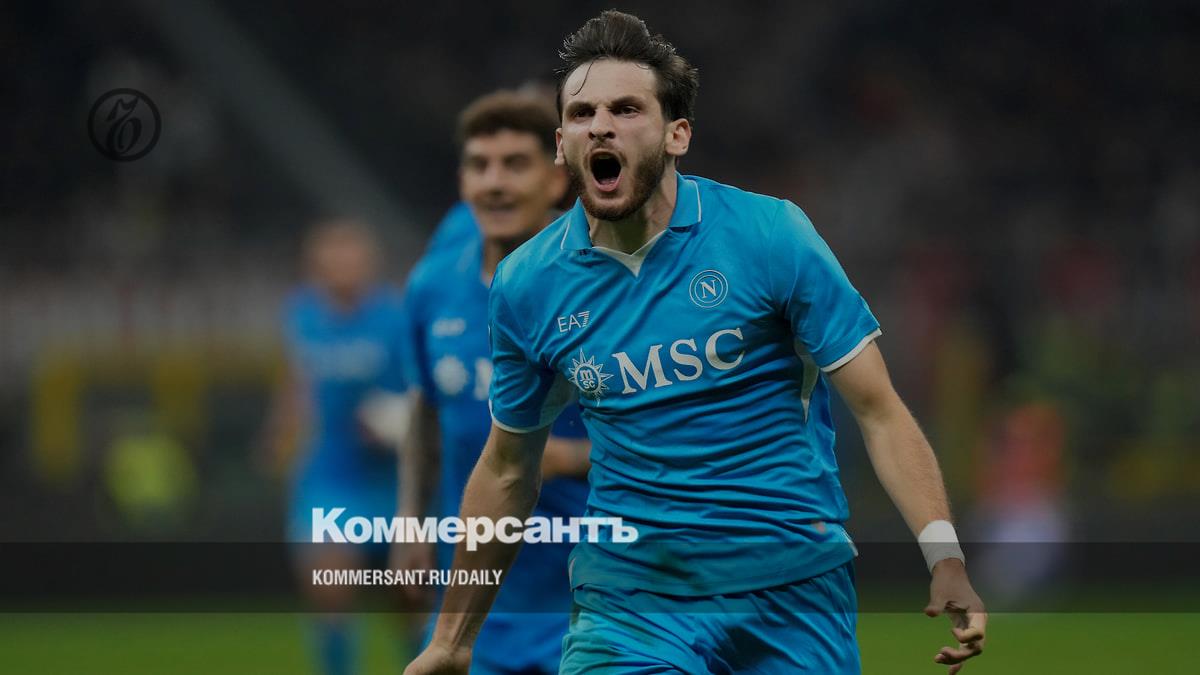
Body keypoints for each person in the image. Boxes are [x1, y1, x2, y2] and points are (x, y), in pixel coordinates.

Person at [406, 10, 987, 675]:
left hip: (791, 587)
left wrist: (944, 555)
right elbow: (507, 467)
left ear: (677, 133)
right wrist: (452, 640)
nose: (602, 126)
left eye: (626, 109)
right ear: (563, 145)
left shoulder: (769, 235)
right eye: (584, 113)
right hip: (630, 598)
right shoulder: (527, 284)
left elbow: (878, 410)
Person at [397, 90, 590, 674]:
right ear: (462, 182)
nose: (495, 183)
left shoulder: (604, 287)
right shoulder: (431, 286)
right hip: (476, 603)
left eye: (515, 164)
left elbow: (673, 435)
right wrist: (410, 523)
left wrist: (573, 457)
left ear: (557, 181)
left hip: (593, 598)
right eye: (480, 166)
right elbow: (425, 412)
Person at [264, 219, 410, 675]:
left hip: (395, 477)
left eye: (350, 257)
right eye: (331, 258)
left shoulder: (397, 316)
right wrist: (281, 430)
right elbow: (297, 381)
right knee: (329, 587)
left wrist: (398, 421)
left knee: (409, 598)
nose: (341, 267)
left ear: (370, 263)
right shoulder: (301, 315)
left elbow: (426, 388)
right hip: (330, 472)